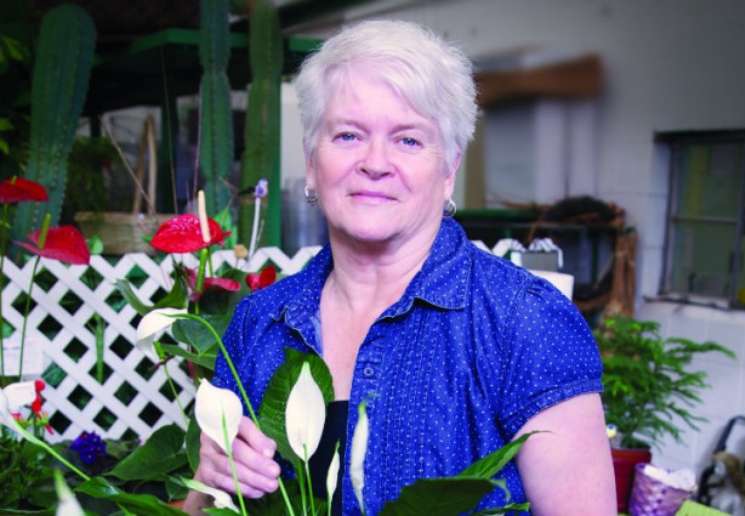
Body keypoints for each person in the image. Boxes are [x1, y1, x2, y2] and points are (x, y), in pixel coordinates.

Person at [184, 19, 615, 515]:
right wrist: (208, 478)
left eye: (408, 140)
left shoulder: (524, 323)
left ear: (449, 167)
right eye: (348, 135)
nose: (375, 162)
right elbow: (203, 506)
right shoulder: (259, 324)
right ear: (311, 159)